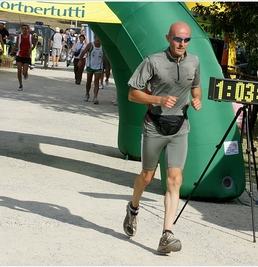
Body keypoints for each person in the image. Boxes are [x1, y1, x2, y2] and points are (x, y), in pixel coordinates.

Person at [123, 21, 202, 254]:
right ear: (169, 38)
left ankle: (166, 235)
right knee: (147, 177)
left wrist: (197, 99)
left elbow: (196, 88)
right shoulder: (153, 61)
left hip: (180, 127)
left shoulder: (194, 61)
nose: (182, 43)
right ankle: (133, 207)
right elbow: (132, 94)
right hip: (155, 126)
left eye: (186, 39)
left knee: (175, 180)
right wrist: (157, 99)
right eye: (178, 39)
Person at [78, 35, 104, 104]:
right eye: (97, 38)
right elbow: (83, 52)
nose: (98, 39)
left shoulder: (103, 46)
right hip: (90, 66)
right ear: (95, 38)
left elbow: (106, 56)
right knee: (88, 81)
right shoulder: (90, 45)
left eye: (99, 38)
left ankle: (95, 97)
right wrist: (80, 60)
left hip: (98, 67)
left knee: (96, 81)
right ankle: (87, 94)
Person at [10, 24, 36, 91]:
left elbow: (35, 43)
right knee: (19, 70)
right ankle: (20, 85)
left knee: (24, 72)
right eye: (23, 28)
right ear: (21, 29)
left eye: (25, 28)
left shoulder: (30, 36)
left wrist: (31, 49)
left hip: (27, 56)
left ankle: (25, 74)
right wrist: (12, 50)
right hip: (20, 55)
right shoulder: (19, 37)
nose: (24, 30)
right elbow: (16, 45)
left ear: (28, 29)